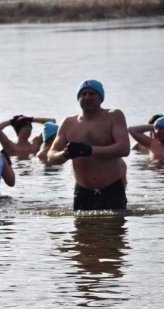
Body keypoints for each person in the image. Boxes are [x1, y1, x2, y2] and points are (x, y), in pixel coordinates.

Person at [46, 79, 130, 211]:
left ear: (101, 98)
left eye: (92, 94)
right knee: (81, 232)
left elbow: (124, 148)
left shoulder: (114, 116)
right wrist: (65, 154)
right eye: (83, 94)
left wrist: (90, 150)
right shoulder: (68, 123)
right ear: (78, 98)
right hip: (82, 191)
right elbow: (51, 156)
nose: (87, 97)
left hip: (111, 188)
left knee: (114, 231)